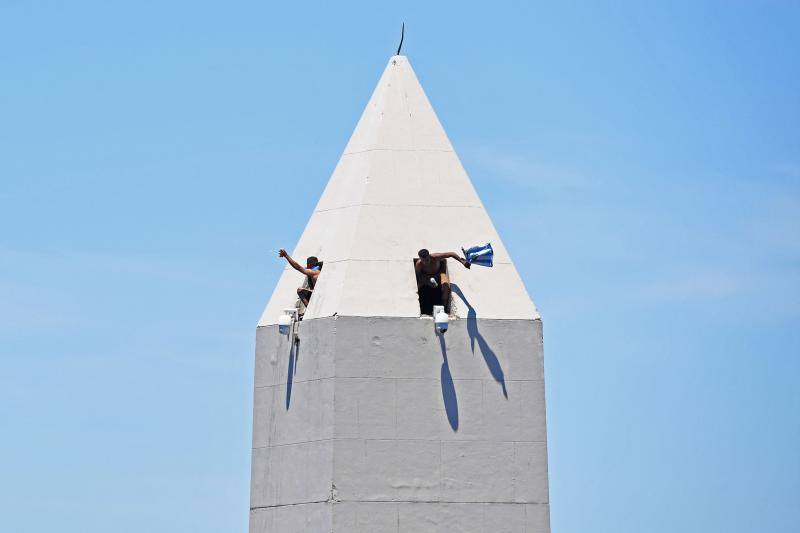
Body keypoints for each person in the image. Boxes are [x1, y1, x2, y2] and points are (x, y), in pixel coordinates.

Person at [415, 249, 469, 314]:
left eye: (427, 260)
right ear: (420, 258)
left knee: (446, 286)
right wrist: (428, 282)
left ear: (429, 256)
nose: (425, 262)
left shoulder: (436, 257)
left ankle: (444, 308)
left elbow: (451, 254)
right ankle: (422, 307)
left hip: (439, 275)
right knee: (418, 285)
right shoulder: (419, 264)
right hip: (427, 278)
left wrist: (462, 261)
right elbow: (419, 277)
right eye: (423, 261)